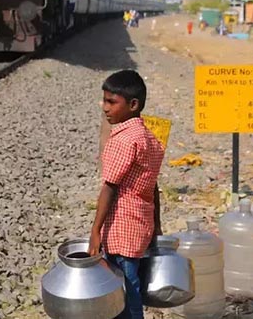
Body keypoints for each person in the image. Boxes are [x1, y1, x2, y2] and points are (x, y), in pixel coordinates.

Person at [88, 70, 164, 319]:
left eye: (111, 102)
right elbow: (153, 187)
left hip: (121, 227)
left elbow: (109, 186)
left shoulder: (124, 139)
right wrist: (157, 225)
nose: (105, 108)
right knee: (131, 284)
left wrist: (95, 231)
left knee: (125, 290)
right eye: (104, 100)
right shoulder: (150, 138)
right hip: (140, 224)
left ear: (133, 105)